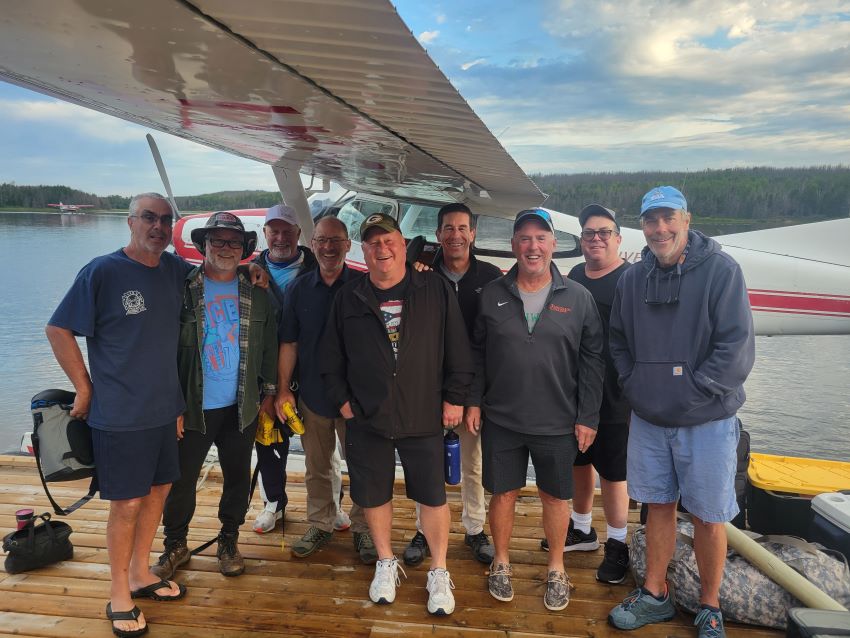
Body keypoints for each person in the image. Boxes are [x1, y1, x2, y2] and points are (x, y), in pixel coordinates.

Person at [607, 187, 755, 638]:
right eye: (651, 221)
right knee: (657, 506)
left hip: (707, 421)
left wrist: (692, 393)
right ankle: (655, 593)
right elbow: (618, 340)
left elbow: (735, 348)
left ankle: (711, 605)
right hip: (650, 420)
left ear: (686, 219)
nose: (659, 229)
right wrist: (637, 386)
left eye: (668, 218)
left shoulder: (722, 272)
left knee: (710, 515)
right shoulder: (632, 279)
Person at [46, 193, 189, 638]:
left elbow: (218, 274)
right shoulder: (102, 271)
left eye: (166, 220)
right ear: (131, 222)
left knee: (159, 490)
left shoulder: (174, 270)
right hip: (120, 413)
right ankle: (118, 594)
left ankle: (141, 573)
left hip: (165, 410)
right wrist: (85, 387)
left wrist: (252, 269)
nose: (159, 227)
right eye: (149, 217)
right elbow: (58, 327)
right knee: (126, 503)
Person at [321, 213, 473, 616]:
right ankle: (386, 562)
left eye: (388, 240)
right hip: (367, 417)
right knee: (373, 493)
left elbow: (458, 348)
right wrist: (343, 403)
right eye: (372, 243)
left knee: (432, 495)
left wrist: (455, 397)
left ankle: (439, 570)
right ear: (363, 250)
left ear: (403, 245)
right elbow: (329, 358)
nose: (381, 249)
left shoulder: (434, 288)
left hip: (424, 412)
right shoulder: (348, 297)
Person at [465, 208, 604, 612]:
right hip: (502, 419)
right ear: (513, 245)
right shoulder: (492, 294)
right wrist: (473, 399)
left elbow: (594, 360)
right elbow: (477, 353)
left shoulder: (578, 297)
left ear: (553, 245)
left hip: (558, 421)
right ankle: (502, 563)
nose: (533, 246)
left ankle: (556, 567)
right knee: (503, 493)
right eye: (524, 238)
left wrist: (588, 416)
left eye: (541, 238)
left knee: (556, 498)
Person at [152, 212, 279, 580]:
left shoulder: (257, 289)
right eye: (217, 241)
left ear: (244, 250)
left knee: (237, 477)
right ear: (203, 245)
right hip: (193, 407)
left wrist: (269, 394)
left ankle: (228, 539)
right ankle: (175, 544)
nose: (225, 248)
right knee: (181, 479)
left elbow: (269, 344)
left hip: (242, 405)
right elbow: (163, 349)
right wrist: (170, 403)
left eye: (233, 242)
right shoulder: (182, 287)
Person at [404, 203, 501, 567]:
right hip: (426, 387)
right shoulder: (422, 275)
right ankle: (423, 528)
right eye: (448, 228)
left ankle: (474, 528)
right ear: (438, 234)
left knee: (471, 464)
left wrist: (473, 398)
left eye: (463, 228)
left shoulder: (491, 277)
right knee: (425, 462)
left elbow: (490, 343)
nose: (456, 235)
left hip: (472, 388)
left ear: (473, 233)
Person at [540, 204, 632, 585]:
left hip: (615, 395)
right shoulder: (575, 274)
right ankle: (582, 529)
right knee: (579, 462)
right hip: (576, 391)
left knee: (613, 474)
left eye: (604, 233)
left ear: (618, 239)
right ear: (581, 240)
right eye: (590, 233)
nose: (596, 239)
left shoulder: (631, 280)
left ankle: (618, 543)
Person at [277, 217, 377, 564]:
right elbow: (289, 342)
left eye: (336, 240)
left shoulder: (366, 286)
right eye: (321, 240)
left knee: (363, 465)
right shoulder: (298, 288)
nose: (328, 247)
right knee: (317, 467)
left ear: (348, 245)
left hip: (357, 399)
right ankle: (320, 523)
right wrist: (283, 391)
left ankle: (364, 528)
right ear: (312, 243)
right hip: (314, 396)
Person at [251, 203, 317, 533]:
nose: (280, 238)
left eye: (287, 232)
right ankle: (273, 504)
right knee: (268, 442)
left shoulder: (319, 268)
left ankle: (330, 502)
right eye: (273, 231)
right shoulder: (246, 272)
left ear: (298, 235)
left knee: (321, 443)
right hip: (266, 377)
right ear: (264, 234)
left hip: (312, 374)